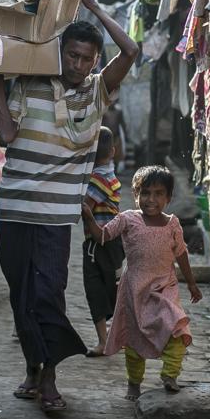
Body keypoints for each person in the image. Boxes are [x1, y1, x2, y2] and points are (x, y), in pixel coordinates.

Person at [0, 0, 139, 413]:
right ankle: (34, 368)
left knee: (48, 293)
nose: (78, 64)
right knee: (20, 294)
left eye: (86, 58)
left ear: (95, 62)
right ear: (59, 53)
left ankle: (51, 376)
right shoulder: (29, 83)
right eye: (71, 55)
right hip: (14, 209)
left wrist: (91, 4)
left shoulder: (98, 93)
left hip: (56, 218)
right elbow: (5, 133)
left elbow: (131, 50)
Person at [96, 165, 202, 401]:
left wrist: (192, 284)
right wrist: (87, 217)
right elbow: (103, 235)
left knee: (177, 328)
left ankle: (170, 375)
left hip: (165, 288)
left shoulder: (173, 224)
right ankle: (134, 384)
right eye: (145, 193)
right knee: (134, 342)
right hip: (134, 289)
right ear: (136, 195)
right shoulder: (127, 220)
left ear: (168, 198)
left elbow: (181, 253)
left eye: (158, 194)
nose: (150, 199)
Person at [80, 127, 123, 357]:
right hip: (114, 244)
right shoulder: (111, 176)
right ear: (113, 151)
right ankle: (116, 337)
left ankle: (104, 341)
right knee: (115, 289)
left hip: (98, 245)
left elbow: (85, 206)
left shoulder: (97, 179)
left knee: (95, 289)